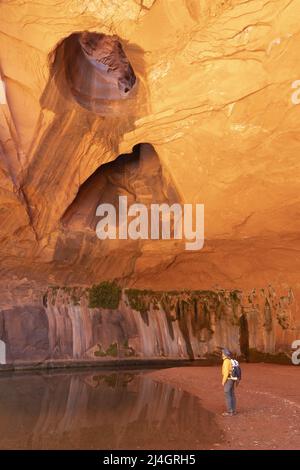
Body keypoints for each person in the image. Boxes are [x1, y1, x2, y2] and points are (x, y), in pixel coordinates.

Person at [221, 348, 237, 416]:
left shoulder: (226, 361)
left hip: (228, 379)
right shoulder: (230, 360)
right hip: (232, 379)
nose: (222, 354)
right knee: (232, 394)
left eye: (222, 353)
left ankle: (230, 411)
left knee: (228, 395)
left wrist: (223, 381)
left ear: (225, 354)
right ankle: (233, 410)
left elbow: (226, 372)